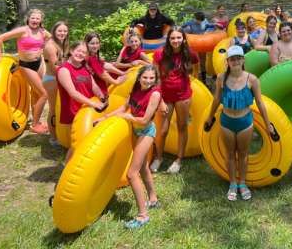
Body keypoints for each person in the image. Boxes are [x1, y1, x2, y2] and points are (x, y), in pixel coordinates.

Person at [204, 45, 274, 201]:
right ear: (227, 61)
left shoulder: (252, 79)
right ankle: (233, 184)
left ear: (243, 60)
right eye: (232, 59)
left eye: (238, 58)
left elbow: (261, 103)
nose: (235, 61)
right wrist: (209, 117)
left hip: (245, 122)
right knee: (229, 154)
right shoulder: (221, 78)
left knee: (243, 154)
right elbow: (216, 99)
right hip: (227, 121)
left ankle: (242, 183)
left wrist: (268, 123)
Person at [95, 64, 161, 229]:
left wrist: (127, 116)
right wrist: (104, 118)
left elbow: (145, 120)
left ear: (155, 79)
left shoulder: (155, 94)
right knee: (144, 166)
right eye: (145, 77)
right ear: (139, 78)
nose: (148, 81)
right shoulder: (135, 89)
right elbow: (123, 108)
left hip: (146, 131)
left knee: (132, 174)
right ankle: (153, 199)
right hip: (135, 130)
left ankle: (142, 215)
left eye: (152, 78)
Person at [0, 8, 51, 134]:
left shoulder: (42, 31)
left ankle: (37, 121)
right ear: (28, 19)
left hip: (39, 63)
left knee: (36, 94)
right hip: (26, 65)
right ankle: (34, 125)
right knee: (44, 94)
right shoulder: (22, 31)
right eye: (33, 18)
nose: (35, 20)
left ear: (41, 20)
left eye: (37, 18)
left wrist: (43, 48)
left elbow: (51, 39)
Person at [151, 28, 194, 173]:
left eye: (178, 38)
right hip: (166, 96)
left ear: (183, 39)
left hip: (183, 97)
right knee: (163, 130)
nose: (175, 41)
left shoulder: (189, 53)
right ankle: (158, 157)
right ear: (168, 40)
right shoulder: (159, 54)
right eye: (172, 38)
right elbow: (156, 78)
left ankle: (178, 160)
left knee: (182, 127)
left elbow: (196, 68)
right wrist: (160, 100)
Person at [57, 42, 106, 161]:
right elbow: (72, 93)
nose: (80, 54)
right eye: (78, 51)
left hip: (87, 110)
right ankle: (67, 167)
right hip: (73, 111)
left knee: (87, 140)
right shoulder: (64, 70)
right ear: (72, 50)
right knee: (77, 144)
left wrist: (101, 96)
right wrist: (93, 104)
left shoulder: (84, 67)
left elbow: (93, 85)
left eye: (84, 52)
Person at [44, 21, 69, 144]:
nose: (62, 33)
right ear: (54, 31)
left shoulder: (62, 43)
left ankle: (58, 133)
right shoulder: (50, 46)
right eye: (60, 30)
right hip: (52, 80)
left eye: (65, 31)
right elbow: (55, 68)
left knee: (59, 109)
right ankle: (53, 138)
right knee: (53, 110)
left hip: (59, 78)